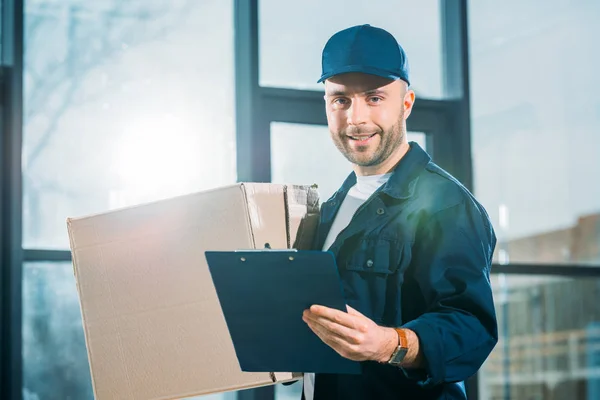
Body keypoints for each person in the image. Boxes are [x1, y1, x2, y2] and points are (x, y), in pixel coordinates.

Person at [300, 24, 498, 400]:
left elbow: (472, 327)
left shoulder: (447, 204)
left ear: (406, 104)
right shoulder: (329, 209)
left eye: (374, 98)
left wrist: (388, 344)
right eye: (340, 100)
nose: (355, 118)